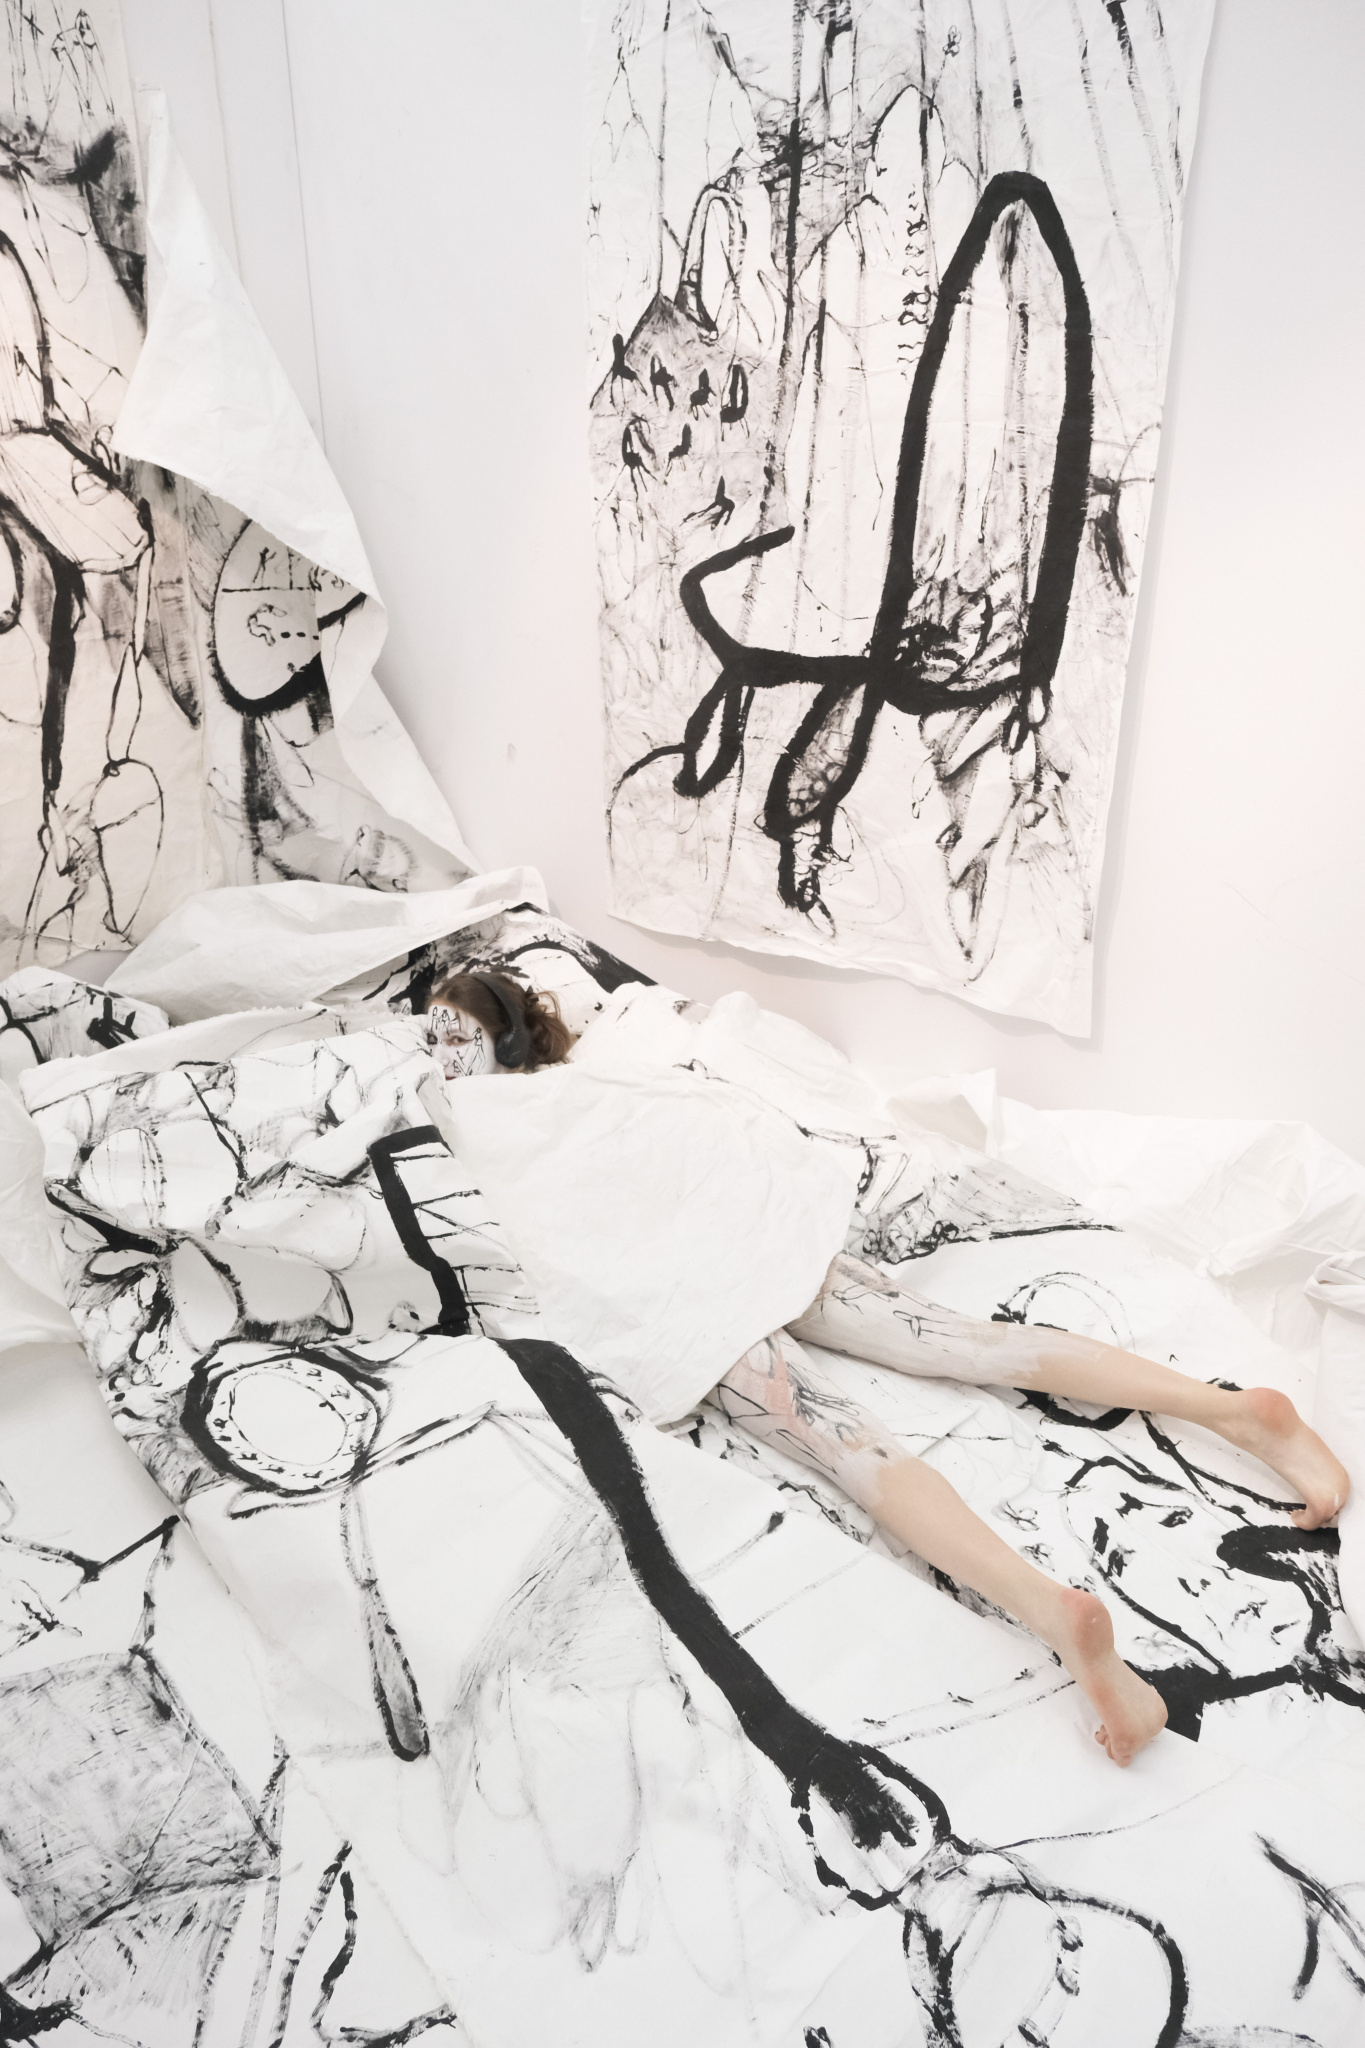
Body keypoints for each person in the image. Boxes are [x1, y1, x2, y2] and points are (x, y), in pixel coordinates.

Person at [423, 976, 1350, 1766]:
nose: (438, 1049)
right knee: (961, 1340)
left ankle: (1053, 1613)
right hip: (752, 1236)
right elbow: (715, 1125)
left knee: (849, 1444)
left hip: (683, 1286)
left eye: (450, 1029)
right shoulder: (604, 1079)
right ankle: (1230, 1410)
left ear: (500, 1037)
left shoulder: (476, 1107)